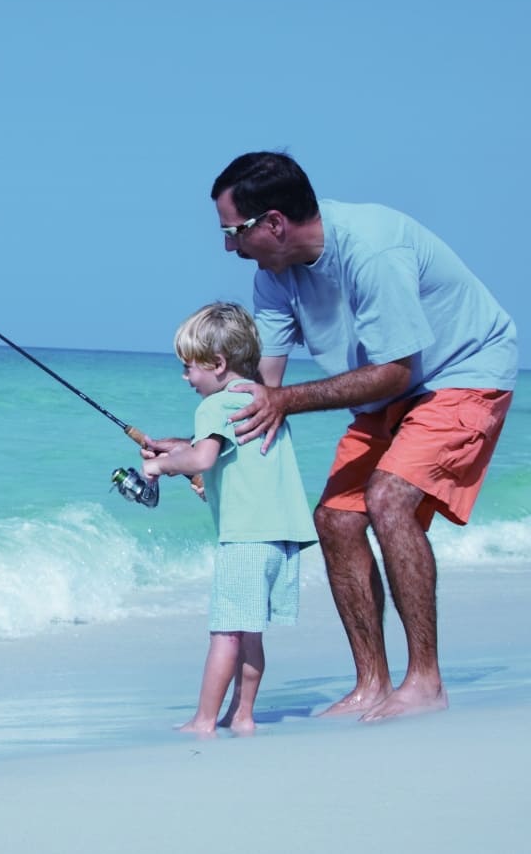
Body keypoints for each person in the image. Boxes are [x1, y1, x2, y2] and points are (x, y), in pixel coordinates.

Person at [209, 151, 517, 722]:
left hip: (462, 373)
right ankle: (371, 683)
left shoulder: (371, 250)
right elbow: (263, 389)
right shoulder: (272, 278)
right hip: (388, 391)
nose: (229, 247)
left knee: (388, 497)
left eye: (233, 232)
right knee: (336, 518)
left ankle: (425, 681)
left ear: (273, 223)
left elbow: (396, 369)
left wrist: (285, 401)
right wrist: (204, 453)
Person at [140, 301, 317, 736]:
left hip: (245, 539)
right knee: (250, 631)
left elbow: (203, 455)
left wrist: (160, 466)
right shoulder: (262, 400)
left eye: (190, 368)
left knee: (226, 633)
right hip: (281, 537)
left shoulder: (213, 407)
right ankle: (243, 714)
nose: (186, 378)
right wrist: (191, 467)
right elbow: (231, 466)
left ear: (217, 364)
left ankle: (203, 721)